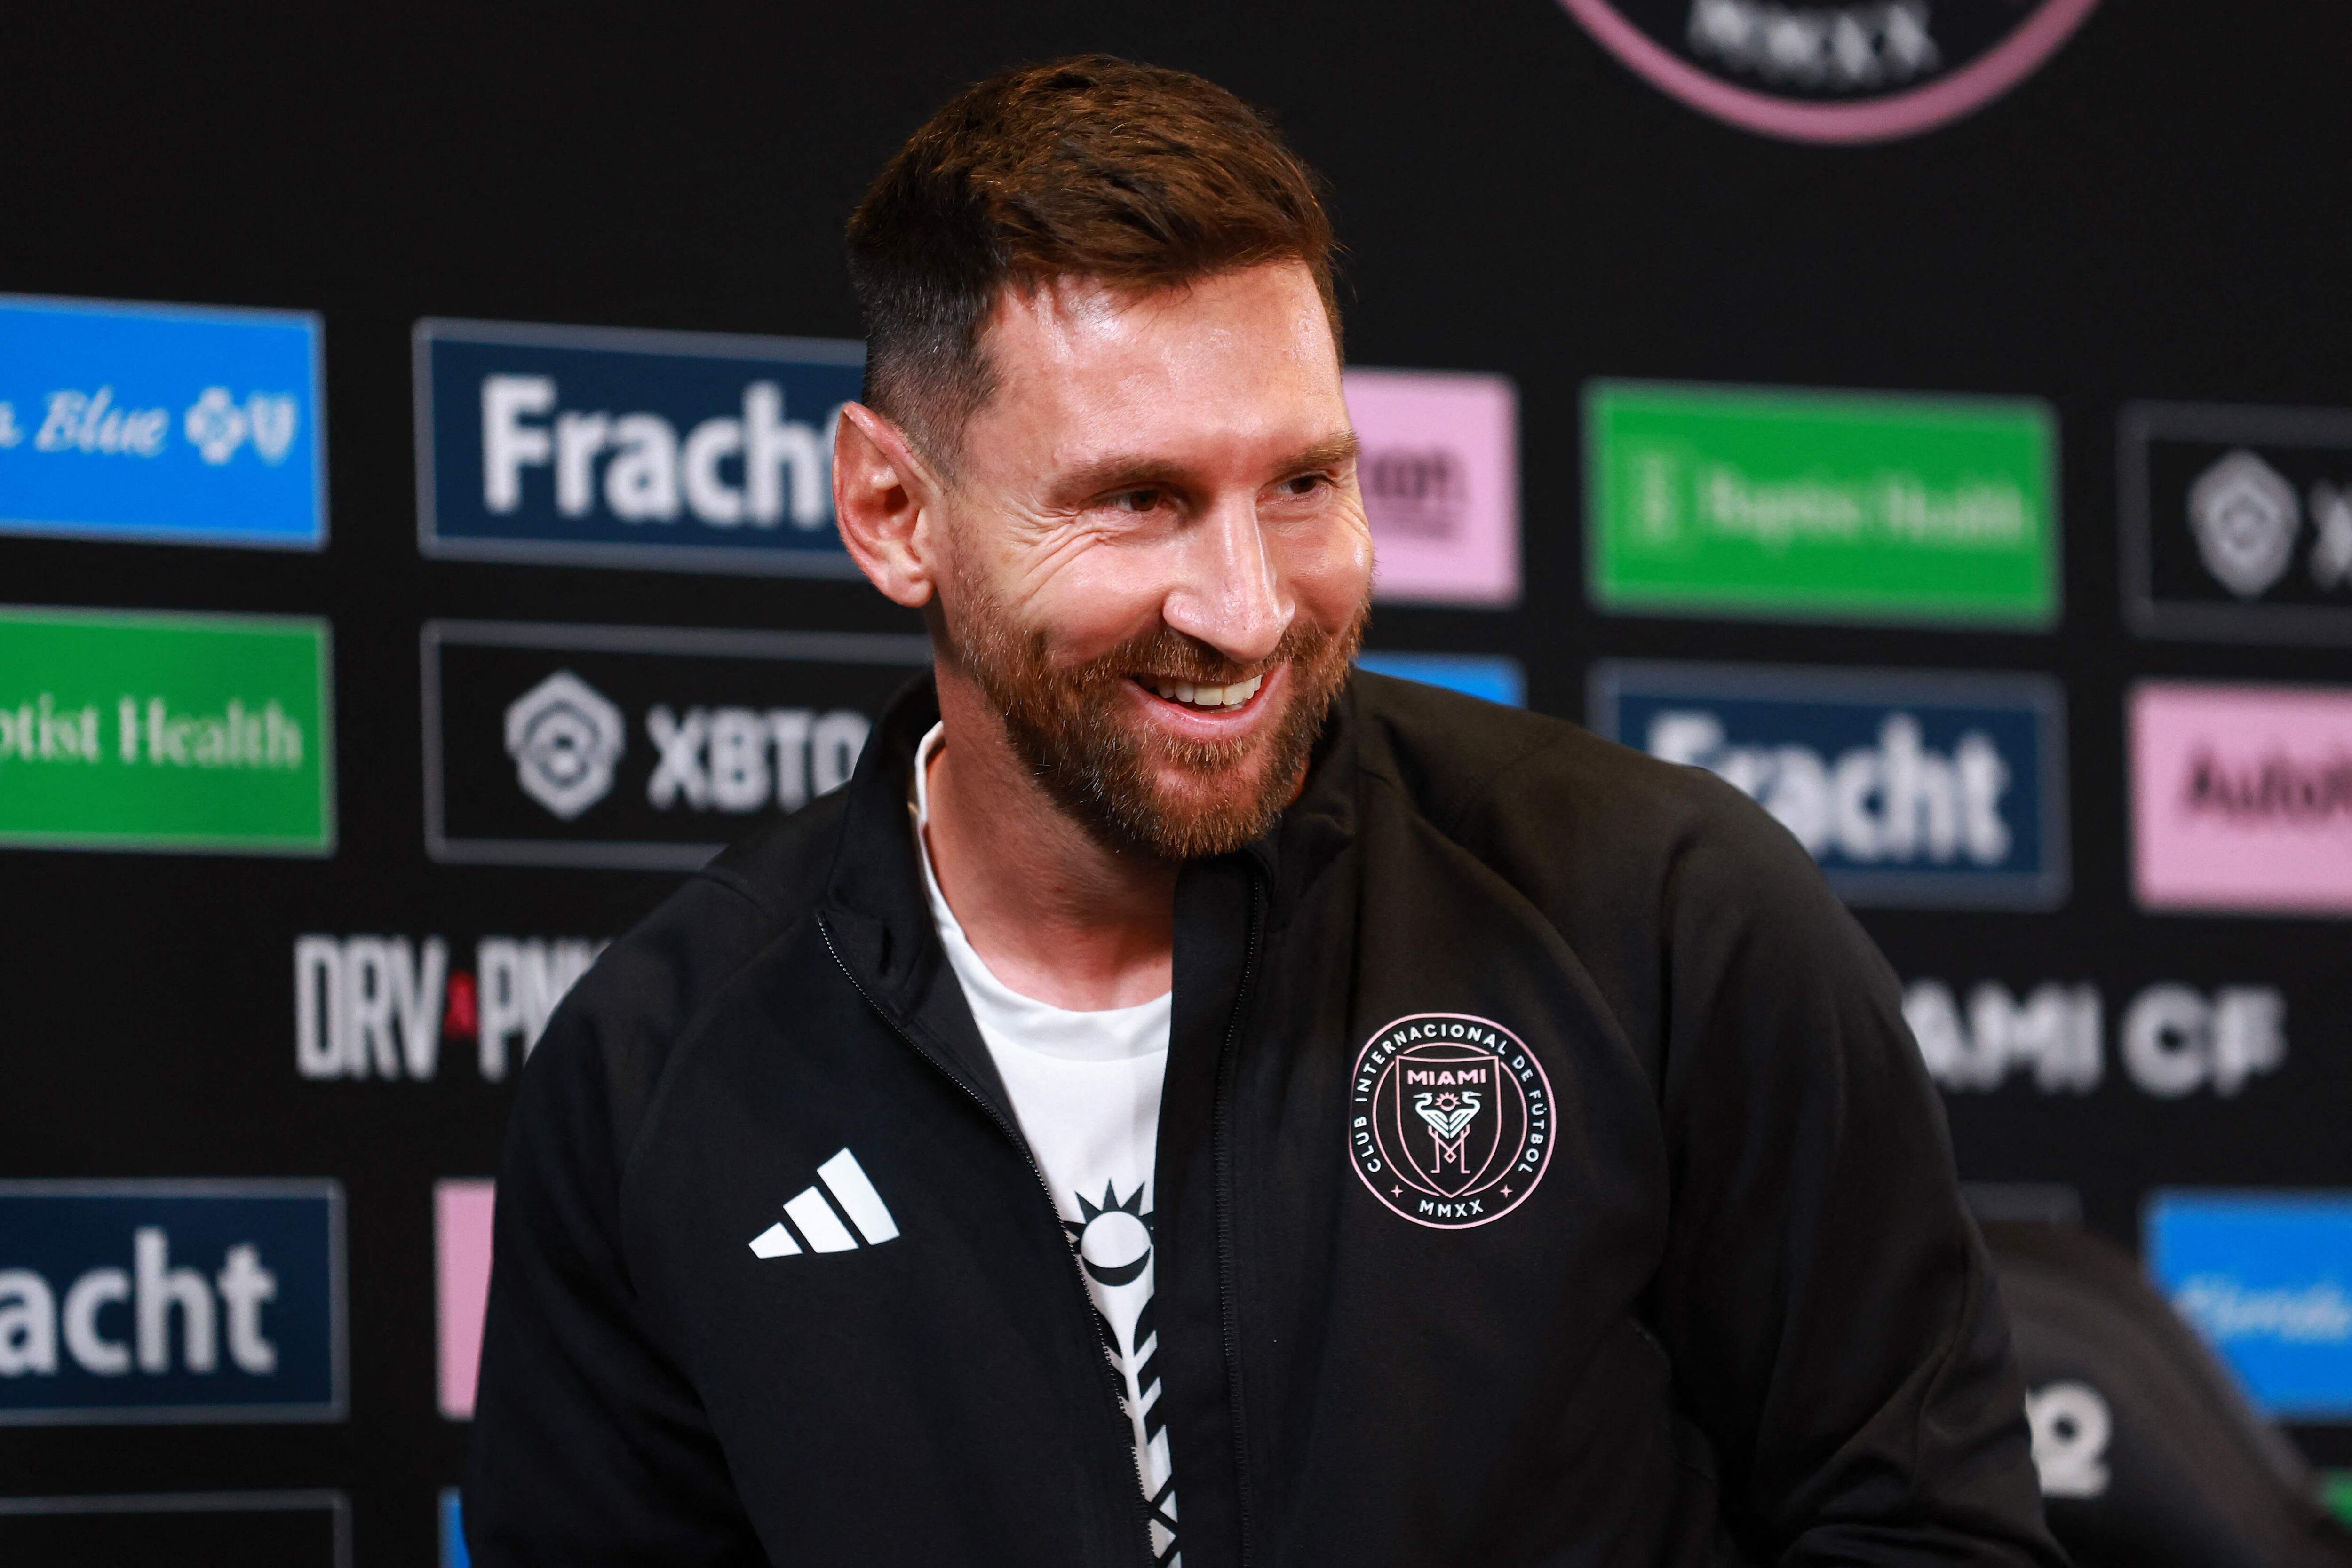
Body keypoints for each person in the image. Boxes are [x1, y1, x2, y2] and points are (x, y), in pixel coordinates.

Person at [465, 55, 2064, 1568]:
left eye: (1303, 485)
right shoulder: (656, 1079)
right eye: (1138, 500)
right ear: (895, 512)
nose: (1248, 608)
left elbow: (1925, 1529)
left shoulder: (1659, 911)